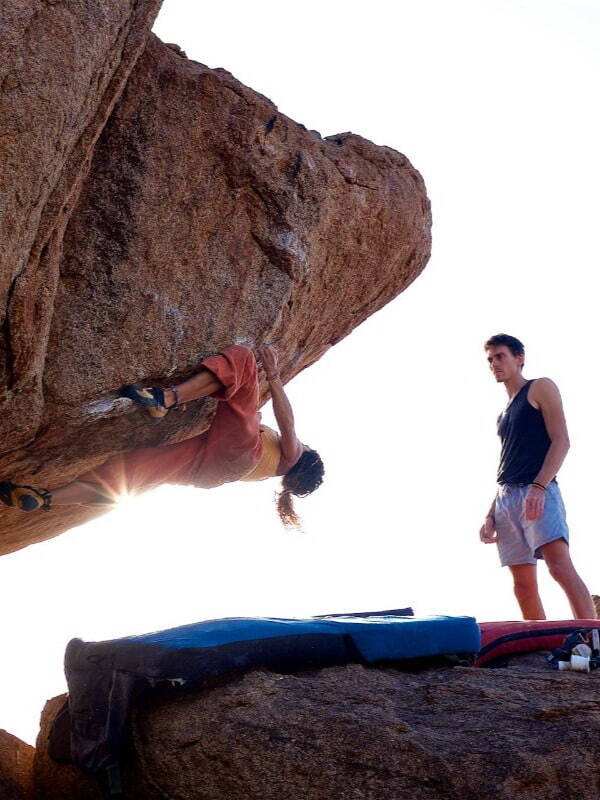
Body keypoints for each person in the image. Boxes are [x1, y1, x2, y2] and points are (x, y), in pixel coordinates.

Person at [0, 345, 324, 527]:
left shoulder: (292, 456)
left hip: (237, 454)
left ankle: (167, 398)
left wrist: (274, 373)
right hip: (209, 474)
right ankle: (46, 499)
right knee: (131, 473)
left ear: (305, 459)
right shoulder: (269, 470)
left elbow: (288, 423)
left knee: (243, 362)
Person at [479, 333, 596, 620]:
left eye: (500, 356)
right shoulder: (503, 414)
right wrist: (490, 513)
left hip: (537, 490)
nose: (494, 364)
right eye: (490, 360)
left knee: (559, 568)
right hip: (506, 498)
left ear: (519, 358)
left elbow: (562, 441)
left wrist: (539, 486)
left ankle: (591, 637)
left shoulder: (540, 387)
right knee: (522, 587)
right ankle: (539, 643)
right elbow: (508, 463)